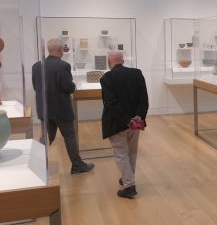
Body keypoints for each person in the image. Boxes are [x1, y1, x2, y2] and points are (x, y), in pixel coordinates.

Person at [32, 38, 94, 174]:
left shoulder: (36, 66)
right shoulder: (63, 66)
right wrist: (73, 86)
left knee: (43, 137)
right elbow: (68, 87)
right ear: (60, 50)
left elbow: (35, 87)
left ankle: (38, 163)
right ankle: (77, 165)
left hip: (44, 109)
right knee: (69, 136)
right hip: (61, 109)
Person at [100, 50, 149, 199]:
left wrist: (127, 120)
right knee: (132, 151)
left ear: (110, 62)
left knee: (121, 153)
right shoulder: (137, 73)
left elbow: (111, 104)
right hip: (136, 122)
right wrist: (138, 116)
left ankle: (129, 186)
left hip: (118, 122)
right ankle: (128, 177)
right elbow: (144, 98)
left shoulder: (107, 78)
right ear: (123, 61)